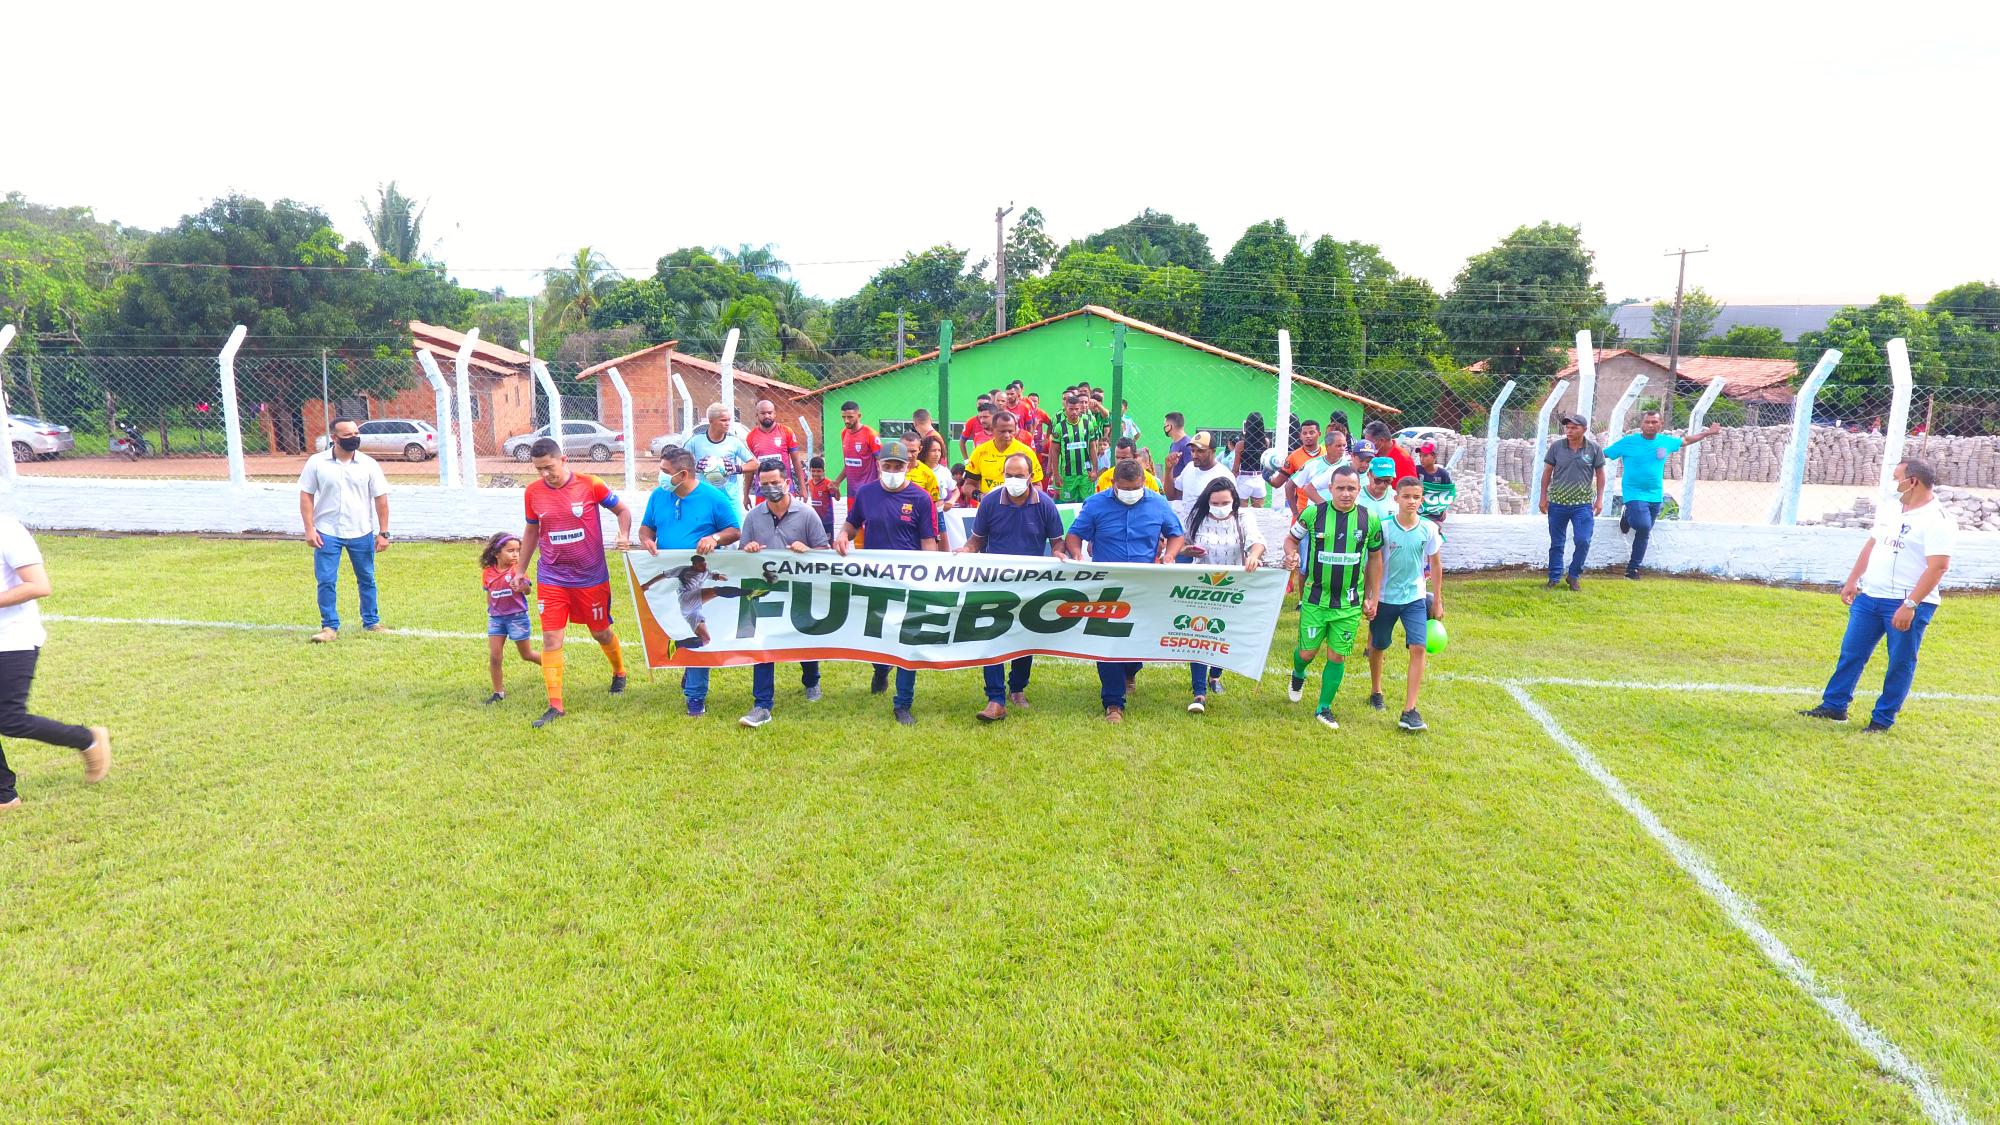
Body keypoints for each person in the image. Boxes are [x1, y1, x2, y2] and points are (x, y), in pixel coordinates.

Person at [1800, 457, 1956, 733]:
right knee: (1852, 652)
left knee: (1900, 661)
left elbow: (1939, 566)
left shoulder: (1937, 520)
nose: (1894, 485)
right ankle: (1834, 705)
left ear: (1913, 482)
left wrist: (1910, 604)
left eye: (1897, 479)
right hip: (1871, 597)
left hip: (1906, 602)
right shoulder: (1891, 509)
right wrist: (1853, 579)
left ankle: (1882, 720)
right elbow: (1872, 544)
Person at [519, 438, 634, 728]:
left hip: (591, 577)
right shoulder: (533, 493)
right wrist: (521, 569)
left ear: (563, 460)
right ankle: (555, 705)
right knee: (551, 639)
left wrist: (623, 534)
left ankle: (619, 671)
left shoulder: (590, 484)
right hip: (552, 577)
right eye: (539, 469)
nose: (545, 474)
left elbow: (623, 510)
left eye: (549, 467)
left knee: (601, 632)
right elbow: (532, 531)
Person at [0, 517, 110, 810]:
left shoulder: (7, 529)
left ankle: (87, 739)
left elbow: (39, 585)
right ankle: (5, 797)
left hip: (13, 638)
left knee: (9, 719)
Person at [1063, 460, 1185, 723]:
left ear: (1143, 483)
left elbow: (1176, 534)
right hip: (1107, 585)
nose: (1132, 492)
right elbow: (1074, 535)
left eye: (1137, 487)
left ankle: (1131, 669)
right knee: (1107, 641)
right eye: (1126, 488)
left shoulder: (1157, 503)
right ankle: (1113, 703)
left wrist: (1170, 555)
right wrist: (1076, 553)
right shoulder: (1095, 504)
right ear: (1114, 485)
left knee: (1138, 638)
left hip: (1145, 584)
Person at [961, 452, 1069, 722]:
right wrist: (966, 549)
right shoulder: (989, 502)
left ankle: (1018, 688)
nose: (1013, 480)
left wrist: (1058, 553)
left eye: (1019, 476)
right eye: (1009, 475)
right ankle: (995, 698)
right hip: (995, 582)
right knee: (992, 636)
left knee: (1024, 636)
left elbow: (1057, 541)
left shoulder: (1044, 504)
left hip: (1030, 584)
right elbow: (976, 540)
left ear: (1031, 476)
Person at [835, 444, 939, 725]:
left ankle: (902, 703)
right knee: (878, 635)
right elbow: (851, 525)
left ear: (908, 466)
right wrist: (843, 535)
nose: (892, 472)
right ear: (879, 465)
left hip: (909, 579)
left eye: (898, 467)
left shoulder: (920, 498)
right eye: (887, 466)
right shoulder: (866, 494)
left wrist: (931, 575)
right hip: (875, 578)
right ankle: (881, 670)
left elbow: (928, 541)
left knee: (907, 641)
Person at [639, 445, 741, 718]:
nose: (660, 477)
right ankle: (686, 658)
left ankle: (695, 697)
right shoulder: (659, 496)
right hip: (672, 579)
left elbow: (734, 530)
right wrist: (646, 539)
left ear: (683, 474)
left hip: (697, 583)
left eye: (665, 472)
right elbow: (647, 526)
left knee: (701, 630)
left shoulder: (713, 498)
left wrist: (715, 538)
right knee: (682, 625)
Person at [1281, 465, 1382, 730]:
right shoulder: (1314, 513)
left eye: (1351, 488)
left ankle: (1323, 708)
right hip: (1315, 599)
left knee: (1337, 656)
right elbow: (1291, 540)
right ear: (1331, 489)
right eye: (1340, 488)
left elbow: (1375, 558)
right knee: (1306, 652)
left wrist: (1373, 597)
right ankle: (1298, 673)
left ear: (1359, 490)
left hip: (1349, 603)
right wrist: (1291, 554)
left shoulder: (1369, 520)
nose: (1346, 493)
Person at [737, 460, 833, 728]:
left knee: (804, 637)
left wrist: (808, 550)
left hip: (800, 590)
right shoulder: (754, 517)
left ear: (787, 483)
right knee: (764, 644)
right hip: (767, 592)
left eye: (774, 483)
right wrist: (749, 549)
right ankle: (762, 704)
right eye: (764, 484)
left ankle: (812, 680)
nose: (769, 488)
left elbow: (825, 554)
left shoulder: (806, 514)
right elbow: (742, 555)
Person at [298, 416, 391, 642]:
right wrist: (310, 529)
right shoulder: (317, 463)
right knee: (327, 580)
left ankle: (371, 622)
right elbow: (306, 495)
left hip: (361, 531)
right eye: (347, 435)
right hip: (327, 531)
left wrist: (384, 532)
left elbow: (381, 499)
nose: (353, 438)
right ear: (334, 438)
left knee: (367, 577)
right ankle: (329, 627)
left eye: (356, 434)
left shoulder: (369, 464)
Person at [1179, 477, 1265, 714]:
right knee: (1199, 635)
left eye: (1225, 502)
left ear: (1234, 501)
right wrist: (1188, 550)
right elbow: (1182, 546)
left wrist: (1254, 556)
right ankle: (1199, 693)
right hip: (1201, 588)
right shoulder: (1196, 519)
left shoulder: (1243, 517)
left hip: (1232, 587)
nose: (1220, 506)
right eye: (1214, 502)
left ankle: (1215, 676)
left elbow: (1256, 542)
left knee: (1224, 634)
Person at [1603, 410, 1721, 579]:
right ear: (1641, 424)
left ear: (1661, 425)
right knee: (1642, 525)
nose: (1650, 425)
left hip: (1655, 493)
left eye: (1654, 422)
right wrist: (1581, 457)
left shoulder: (1665, 441)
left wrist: (1707, 433)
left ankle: (1632, 570)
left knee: (1645, 532)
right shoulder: (1629, 442)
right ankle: (1628, 514)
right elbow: (1605, 454)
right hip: (1634, 492)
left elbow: (1686, 440)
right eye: (1647, 422)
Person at [1367, 476, 1444, 732]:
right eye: (1406, 496)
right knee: (1378, 645)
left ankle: (1410, 710)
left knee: (1418, 647)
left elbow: (1435, 563)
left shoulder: (1429, 529)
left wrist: (1438, 600)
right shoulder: (1384, 527)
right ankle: (1376, 691)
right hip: (1386, 598)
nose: (1411, 501)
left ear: (1422, 500)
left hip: (1415, 598)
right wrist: (1372, 596)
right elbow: (1373, 563)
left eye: (1416, 497)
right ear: (1396, 498)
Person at [1540, 412, 1606, 590]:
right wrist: (1543, 497)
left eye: (1574, 427)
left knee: (1583, 540)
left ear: (1584, 429)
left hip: (1582, 505)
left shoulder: (1594, 449)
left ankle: (1574, 575)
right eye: (1567, 427)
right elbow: (1547, 472)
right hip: (1558, 503)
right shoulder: (1556, 447)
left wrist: (1599, 500)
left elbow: (1600, 475)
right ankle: (1554, 577)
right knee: (1557, 542)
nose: (1569, 431)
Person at [479, 532, 542, 704]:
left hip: (517, 618)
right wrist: (490, 610)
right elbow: (489, 593)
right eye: (510, 551)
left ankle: (553, 666)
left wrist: (522, 587)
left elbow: (528, 590)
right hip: (496, 619)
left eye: (518, 550)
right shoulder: (488, 573)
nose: (515, 554)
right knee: (495, 657)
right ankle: (498, 693)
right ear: (496, 552)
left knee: (526, 654)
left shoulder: (517, 571)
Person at [684, 402, 758, 508]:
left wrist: (736, 468)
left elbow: (755, 464)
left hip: (729, 500)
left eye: (729, 420)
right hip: (704, 499)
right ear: (711, 421)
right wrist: (695, 467)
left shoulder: (734, 441)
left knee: (733, 525)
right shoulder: (695, 441)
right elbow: (679, 463)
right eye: (723, 420)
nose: (727, 423)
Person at [966, 410, 1043, 497]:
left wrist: (1024, 499)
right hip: (990, 508)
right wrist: (981, 497)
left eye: (1010, 431)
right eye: (1002, 431)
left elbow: (1037, 485)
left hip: (1017, 507)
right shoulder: (980, 452)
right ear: (992, 430)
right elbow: (968, 485)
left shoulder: (1026, 452)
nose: (1007, 435)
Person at [1050, 392, 1107, 504]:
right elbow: (1055, 451)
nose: (1074, 412)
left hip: (1086, 473)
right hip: (1067, 474)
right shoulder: (1059, 428)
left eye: (1076, 409)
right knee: (1068, 504)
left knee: (1088, 502)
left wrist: (1095, 470)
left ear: (1080, 408)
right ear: (1065, 408)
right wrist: (1056, 474)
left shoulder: (1088, 424)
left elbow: (1092, 447)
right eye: (1071, 409)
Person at [744, 399, 805, 490]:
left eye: (770, 413)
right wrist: (746, 494)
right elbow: (750, 466)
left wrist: (803, 487)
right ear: (757, 414)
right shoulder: (751, 437)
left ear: (775, 414)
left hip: (784, 488)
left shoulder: (786, 431)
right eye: (763, 413)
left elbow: (796, 460)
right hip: (762, 490)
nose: (767, 416)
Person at [1271, 418, 1323, 513]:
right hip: (1302, 510)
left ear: (1319, 434)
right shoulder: (1293, 457)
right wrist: (1268, 476)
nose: (1308, 436)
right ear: (1300, 436)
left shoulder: (1327, 453)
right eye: (1305, 433)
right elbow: (1278, 483)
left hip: (1325, 508)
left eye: (1312, 432)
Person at [833, 400, 881, 499]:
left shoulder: (870, 434)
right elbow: (849, 464)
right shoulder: (844, 433)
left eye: (850, 417)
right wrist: (837, 482)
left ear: (859, 416)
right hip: (851, 492)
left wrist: (880, 485)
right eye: (844, 417)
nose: (846, 420)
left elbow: (881, 461)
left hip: (869, 492)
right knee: (852, 515)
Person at [1173, 431, 1232, 501]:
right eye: (1192, 450)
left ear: (1213, 451)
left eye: (1200, 451)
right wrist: (1169, 469)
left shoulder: (1224, 476)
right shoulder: (1189, 468)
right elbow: (1173, 496)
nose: (1194, 456)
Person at [1231, 413, 1272, 505]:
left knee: (1241, 513)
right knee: (1258, 513)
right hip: (1259, 478)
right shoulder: (1265, 442)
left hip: (1244, 478)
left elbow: (1235, 468)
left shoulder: (1241, 445)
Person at [1095, 437, 1163, 493]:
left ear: (1135, 457)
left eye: (1124, 458)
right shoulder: (1104, 478)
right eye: (1117, 457)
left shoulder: (1149, 480)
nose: (1119, 461)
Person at [1416, 443, 1456, 526]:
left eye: (1425, 456)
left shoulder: (1443, 474)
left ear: (1435, 457)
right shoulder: (1416, 470)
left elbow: (1448, 493)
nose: (1421, 459)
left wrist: (1444, 509)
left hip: (1435, 514)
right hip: (1418, 513)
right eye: (1420, 456)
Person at [1358, 457, 1400, 524]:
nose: (1382, 485)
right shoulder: (1357, 497)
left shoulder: (1396, 498)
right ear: (1368, 475)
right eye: (1378, 480)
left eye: (1387, 481)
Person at [919, 434, 955, 509]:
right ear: (924, 451)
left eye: (939, 450)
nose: (937, 454)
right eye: (933, 450)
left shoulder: (944, 471)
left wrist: (951, 501)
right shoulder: (916, 469)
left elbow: (955, 490)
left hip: (939, 514)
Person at [805, 455, 837, 538]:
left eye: (818, 471)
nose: (815, 474)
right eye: (813, 471)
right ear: (810, 470)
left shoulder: (828, 483)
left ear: (823, 471)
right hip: (815, 519)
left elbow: (837, 498)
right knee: (816, 542)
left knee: (828, 543)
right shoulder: (809, 483)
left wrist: (836, 490)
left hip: (827, 521)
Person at [1161, 411, 1192, 497]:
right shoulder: (1173, 444)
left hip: (1182, 496)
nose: (1164, 427)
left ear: (1170, 426)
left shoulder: (1188, 445)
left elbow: (1190, 473)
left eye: (1165, 425)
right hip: (1171, 494)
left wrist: (1171, 482)